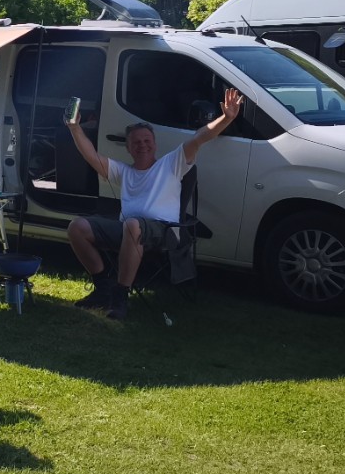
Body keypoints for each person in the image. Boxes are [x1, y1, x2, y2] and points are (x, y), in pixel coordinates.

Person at [65, 87, 244, 320]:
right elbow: (91, 155)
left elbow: (200, 137)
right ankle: (102, 288)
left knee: (132, 225)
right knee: (77, 227)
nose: (142, 145)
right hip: (128, 230)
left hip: (164, 232)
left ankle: (120, 297)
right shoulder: (124, 171)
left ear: (155, 144)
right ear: (128, 147)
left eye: (146, 140)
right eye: (136, 142)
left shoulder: (171, 163)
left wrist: (226, 118)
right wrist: (75, 128)